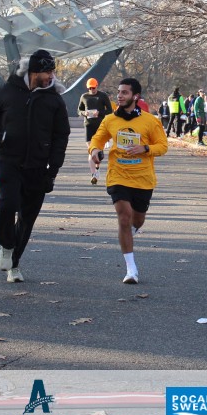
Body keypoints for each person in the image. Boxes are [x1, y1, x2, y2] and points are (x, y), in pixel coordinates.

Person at [0, 49, 70, 283]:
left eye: (53, 72)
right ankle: (6, 244)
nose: (51, 76)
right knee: (8, 205)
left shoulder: (54, 100)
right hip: (9, 160)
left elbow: (61, 136)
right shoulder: (5, 91)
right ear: (34, 72)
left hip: (38, 167)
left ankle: (14, 264)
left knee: (27, 219)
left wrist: (53, 170)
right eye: (48, 72)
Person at [89, 78, 168, 284]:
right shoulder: (110, 120)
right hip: (118, 175)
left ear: (135, 96)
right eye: (119, 92)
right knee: (124, 217)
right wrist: (95, 150)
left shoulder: (150, 121)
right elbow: (97, 139)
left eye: (124, 92)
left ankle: (130, 233)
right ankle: (131, 269)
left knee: (137, 220)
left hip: (143, 178)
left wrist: (146, 148)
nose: (119, 96)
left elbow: (163, 146)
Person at [77, 77, 112, 184]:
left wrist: (99, 113)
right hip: (88, 126)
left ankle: (97, 168)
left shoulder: (102, 96)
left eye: (93, 88)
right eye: (90, 88)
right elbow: (79, 110)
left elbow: (110, 110)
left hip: (100, 126)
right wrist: (84, 113)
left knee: (98, 152)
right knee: (92, 150)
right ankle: (94, 174)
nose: (92, 90)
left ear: (97, 86)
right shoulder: (84, 96)